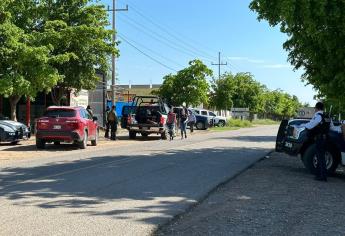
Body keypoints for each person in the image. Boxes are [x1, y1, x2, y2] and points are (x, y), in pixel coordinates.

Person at [299, 102, 330, 181]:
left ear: (317, 108)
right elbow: (332, 127)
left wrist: (301, 125)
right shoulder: (327, 116)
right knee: (322, 157)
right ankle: (320, 174)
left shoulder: (318, 116)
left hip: (319, 139)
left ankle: (322, 176)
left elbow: (310, 125)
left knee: (320, 157)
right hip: (326, 139)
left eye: (315, 108)